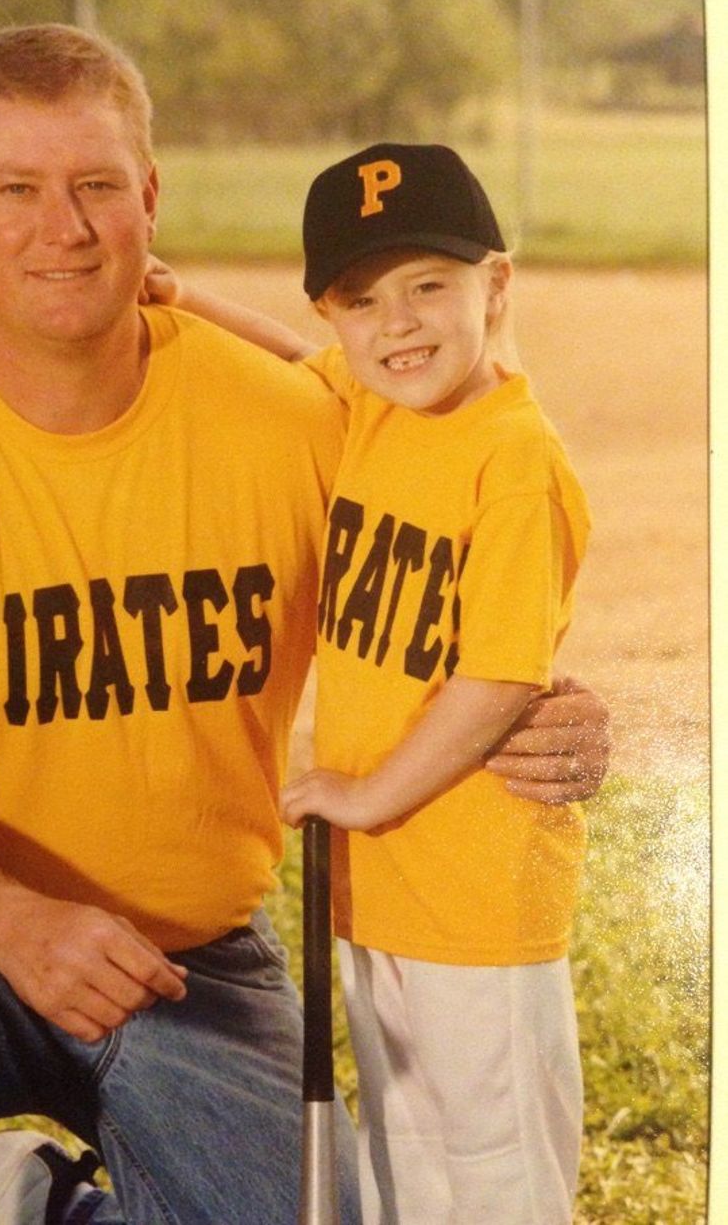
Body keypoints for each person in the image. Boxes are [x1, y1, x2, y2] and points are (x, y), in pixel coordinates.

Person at [0, 19, 607, 1225]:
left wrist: (553, 710)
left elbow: (453, 552)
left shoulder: (285, 424)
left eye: (97, 184)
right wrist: (14, 921)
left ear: (148, 197)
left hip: (192, 958)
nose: (67, 226)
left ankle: (47, 1207)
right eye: (18, 189)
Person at [148, 143, 595, 1225]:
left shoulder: (512, 460)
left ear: (494, 285)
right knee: (407, 1155)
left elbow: (494, 680)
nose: (394, 324)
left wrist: (365, 794)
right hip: (384, 886)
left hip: (473, 886)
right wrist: (180, 296)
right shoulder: (377, 399)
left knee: (493, 1166)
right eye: (361, 301)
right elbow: (297, 362)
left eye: (425, 287)